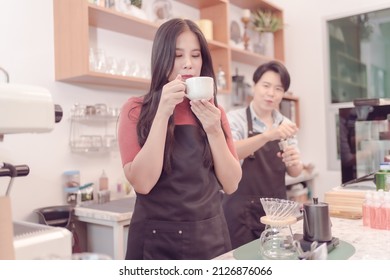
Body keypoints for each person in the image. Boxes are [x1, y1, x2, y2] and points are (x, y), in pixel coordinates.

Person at [117, 18, 242, 260]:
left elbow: (231, 183)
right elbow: (142, 183)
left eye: (196, 55)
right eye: (177, 55)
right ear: (161, 58)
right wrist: (163, 112)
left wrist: (214, 130)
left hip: (209, 237)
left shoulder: (215, 112)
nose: (188, 64)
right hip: (155, 242)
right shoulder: (135, 109)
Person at [222, 60, 303, 249]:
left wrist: (294, 161)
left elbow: (295, 171)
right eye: (266, 85)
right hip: (239, 214)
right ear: (255, 85)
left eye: (278, 89)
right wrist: (268, 135)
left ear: (283, 94)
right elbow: (230, 152)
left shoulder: (285, 123)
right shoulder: (235, 119)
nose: (271, 93)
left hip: (277, 214)